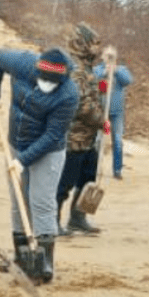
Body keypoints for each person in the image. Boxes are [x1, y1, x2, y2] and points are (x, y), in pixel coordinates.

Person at [0, 46, 79, 284]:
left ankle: (42, 264)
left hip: (48, 150)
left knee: (41, 203)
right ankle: (22, 257)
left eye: (52, 82)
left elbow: (53, 135)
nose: (46, 84)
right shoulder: (24, 63)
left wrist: (22, 160)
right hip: (16, 142)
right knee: (18, 201)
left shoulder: (69, 94)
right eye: (43, 79)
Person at [57, 24, 108, 235]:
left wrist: (104, 84)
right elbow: (82, 105)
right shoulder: (75, 69)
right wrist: (100, 120)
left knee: (88, 177)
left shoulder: (87, 68)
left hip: (88, 138)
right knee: (65, 181)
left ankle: (78, 217)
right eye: (94, 45)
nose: (97, 49)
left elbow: (96, 92)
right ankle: (52, 220)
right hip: (73, 137)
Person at [94, 58, 132, 179]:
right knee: (97, 141)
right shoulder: (98, 69)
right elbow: (93, 78)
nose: (109, 60)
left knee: (117, 140)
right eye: (107, 57)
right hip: (101, 113)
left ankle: (117, 170)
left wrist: (115, 71)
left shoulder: (121, 70)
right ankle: (94, 168)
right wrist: (105, 72)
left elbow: (128, 80)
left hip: (116, 113)